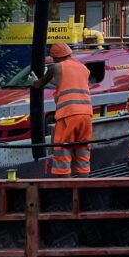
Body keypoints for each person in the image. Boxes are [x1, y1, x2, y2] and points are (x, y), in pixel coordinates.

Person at [32, 42, 92, 177]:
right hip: (86, 115)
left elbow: (39, 84)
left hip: (68, 115)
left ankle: (65, 187)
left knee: (62, 149)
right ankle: (84, 184)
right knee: (83, 149)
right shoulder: (83, 68)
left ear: (56, 58)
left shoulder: (55, 67)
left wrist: (34, 81)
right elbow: (66, 81)